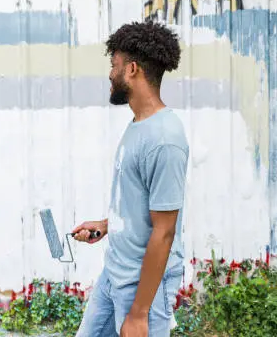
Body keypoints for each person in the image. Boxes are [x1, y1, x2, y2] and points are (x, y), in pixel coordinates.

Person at [72, 21, 189, 337]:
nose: (110, 74)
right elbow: (140, 201)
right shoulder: (139, 125)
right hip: (115, 274)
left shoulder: (165, 139)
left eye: (115, 65)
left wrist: (139, 314)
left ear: (133, 69)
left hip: (143, 287)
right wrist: (106, 225)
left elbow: (164, 231)